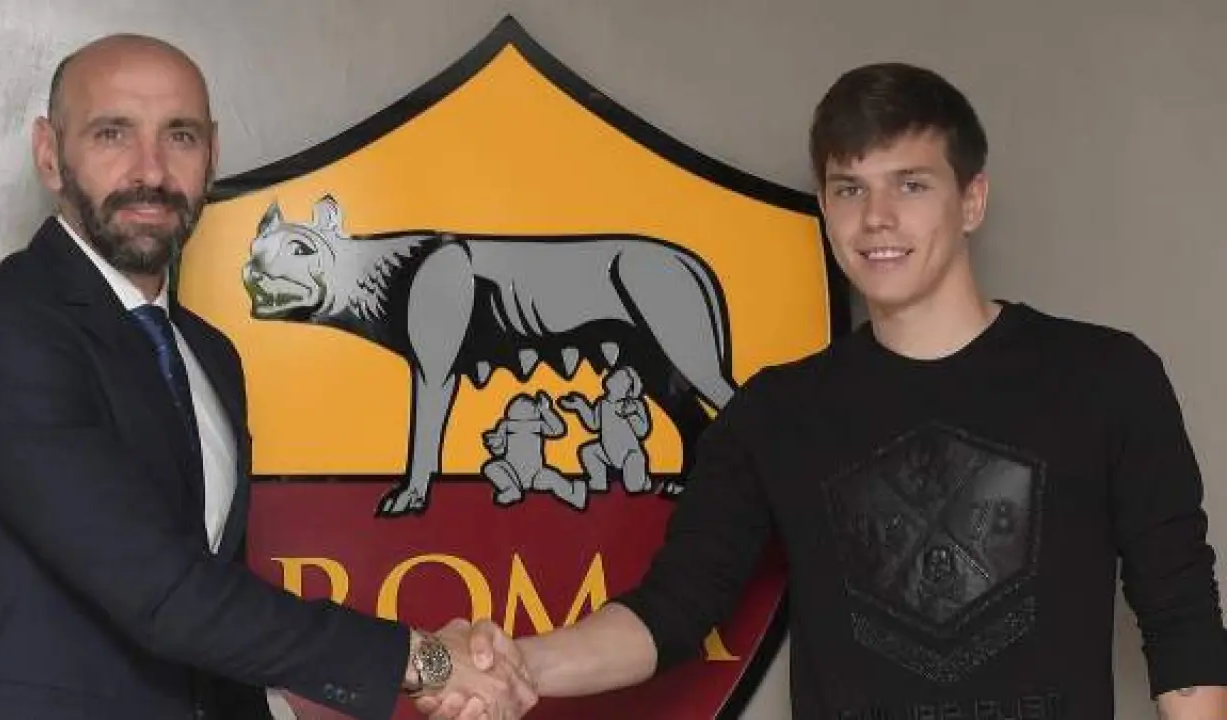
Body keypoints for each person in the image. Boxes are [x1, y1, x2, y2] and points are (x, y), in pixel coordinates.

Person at [424, 62, 1227, 718]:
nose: (876, 217)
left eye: (910, 185)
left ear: (972, 199)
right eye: (850, 188)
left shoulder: (1104, 378)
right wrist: (515, 665)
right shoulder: (776, 414)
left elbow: (1181, 615)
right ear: (825, 206)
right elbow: (672, 612)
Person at [0, 34, 534, 720]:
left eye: (181, 136)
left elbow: (212, 630)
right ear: (50, 154)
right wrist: (425, 661)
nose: (151, 170)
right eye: (112, 133)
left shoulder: (207, 354)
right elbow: (163, 593)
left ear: (213, 154)